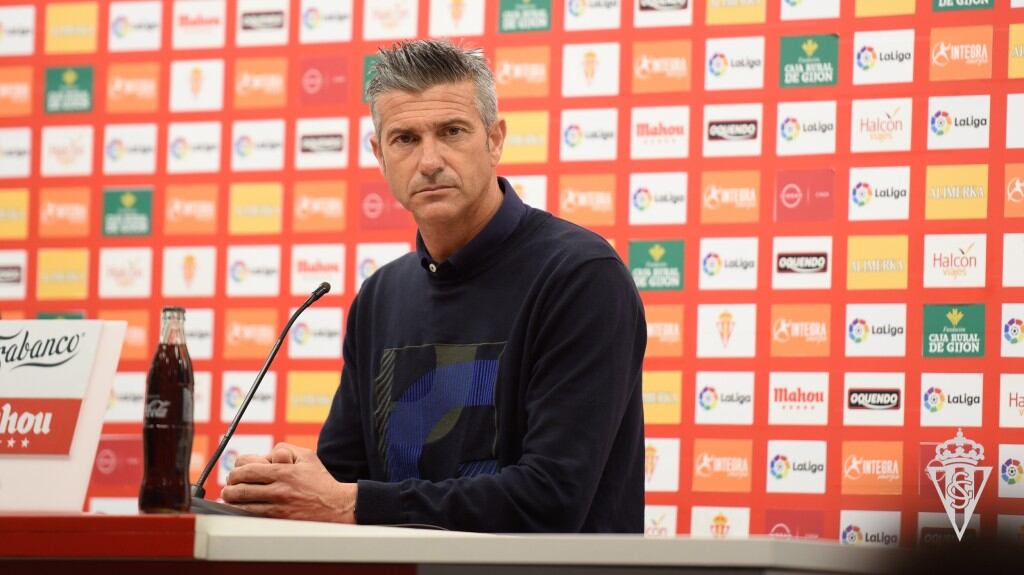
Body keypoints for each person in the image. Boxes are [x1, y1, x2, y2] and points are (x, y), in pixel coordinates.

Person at [221, 39, 647, 533]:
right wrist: (285, 490)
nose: (429, 160)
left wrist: (349, 503)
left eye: (451, 132)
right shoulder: (381, 296)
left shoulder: (580, 277)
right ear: (380, 155)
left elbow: (551, 499)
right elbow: (343, 482)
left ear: (494, 139)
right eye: (405, 139)